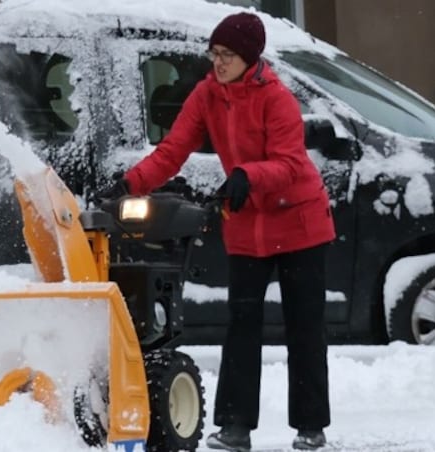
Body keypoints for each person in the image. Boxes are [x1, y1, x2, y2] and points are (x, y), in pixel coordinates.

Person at [97, 11, 335, 452]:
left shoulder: (277, 98)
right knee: (241, 323)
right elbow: (172, 150)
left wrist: (247, 174)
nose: (218, 63)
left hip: (299, 222)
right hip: (247, 223)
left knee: (305, 325)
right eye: (214, 54)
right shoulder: (207, 94)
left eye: (227, 55)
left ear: (249, 58)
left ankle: (310, 426)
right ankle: (235, 426)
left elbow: (290, 163)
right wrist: (131, 183)